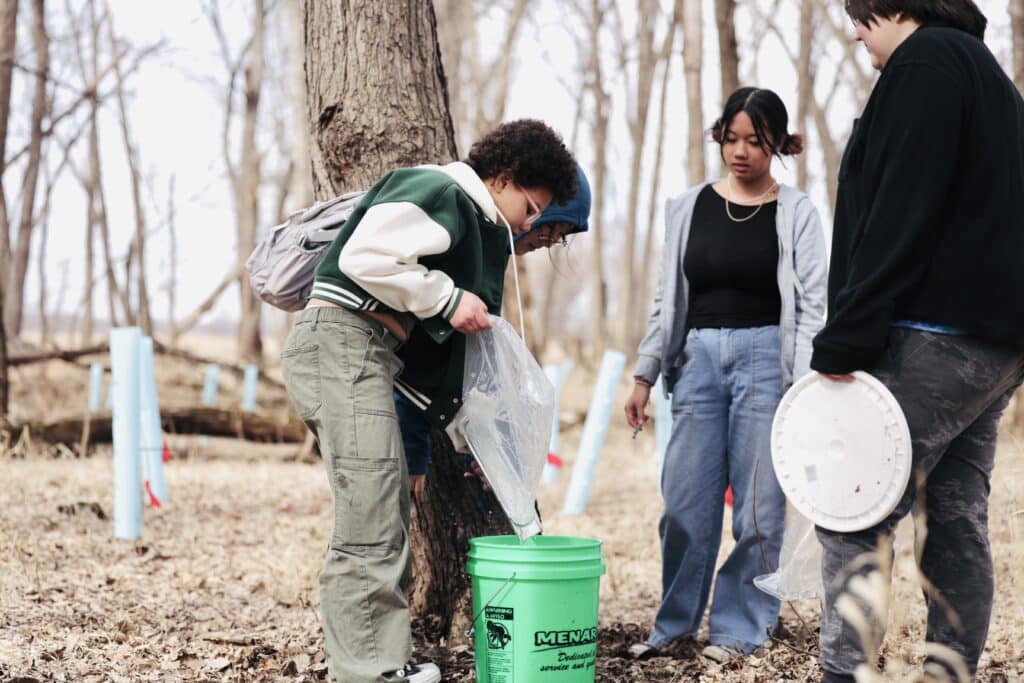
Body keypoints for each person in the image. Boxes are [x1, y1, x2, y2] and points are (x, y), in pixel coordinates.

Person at [279, 119, 577, 683]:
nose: (532, 224)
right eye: (533, 207)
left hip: (370, 357)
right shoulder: (441, 191)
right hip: (342, 342)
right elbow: (365, 258)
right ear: (505, 178)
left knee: (383, 509)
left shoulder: (475, 225)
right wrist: (446, 299)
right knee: (369, 517)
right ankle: (370, 672)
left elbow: (430, 363)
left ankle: (379, 661)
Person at [810, 2, 1024, 681]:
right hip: (996, 341)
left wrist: (846, 335)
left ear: (895, 7)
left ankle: (844, 673)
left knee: (855, 508)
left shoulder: (926, 63)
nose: (855, 31)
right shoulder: (990, 80)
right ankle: (950, 671)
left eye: (862, 16)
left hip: (935, 336)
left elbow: (903, 210)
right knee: (957, 512)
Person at [624, 87, 828, 663]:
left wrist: (806, 384)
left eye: (756, 142)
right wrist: (644, 373)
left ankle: (740, 630)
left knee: (760, 506)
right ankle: (673, 626)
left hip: (768, 362)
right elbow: (666, 300)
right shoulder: (687, 207)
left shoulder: (797, 212)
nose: (741, 152)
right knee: (685, 502)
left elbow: (813, 307)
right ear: (720, 136)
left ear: (777, 146)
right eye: (731, 139)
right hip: (696, 363)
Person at [395, 163, 592, 500]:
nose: (548, 242)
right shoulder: (464, 233)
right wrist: (412, 447)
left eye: (560, 238)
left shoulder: (494, 252)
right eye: (552, 228)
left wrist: (483, 449)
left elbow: (472, 365)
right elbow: (422, 353)